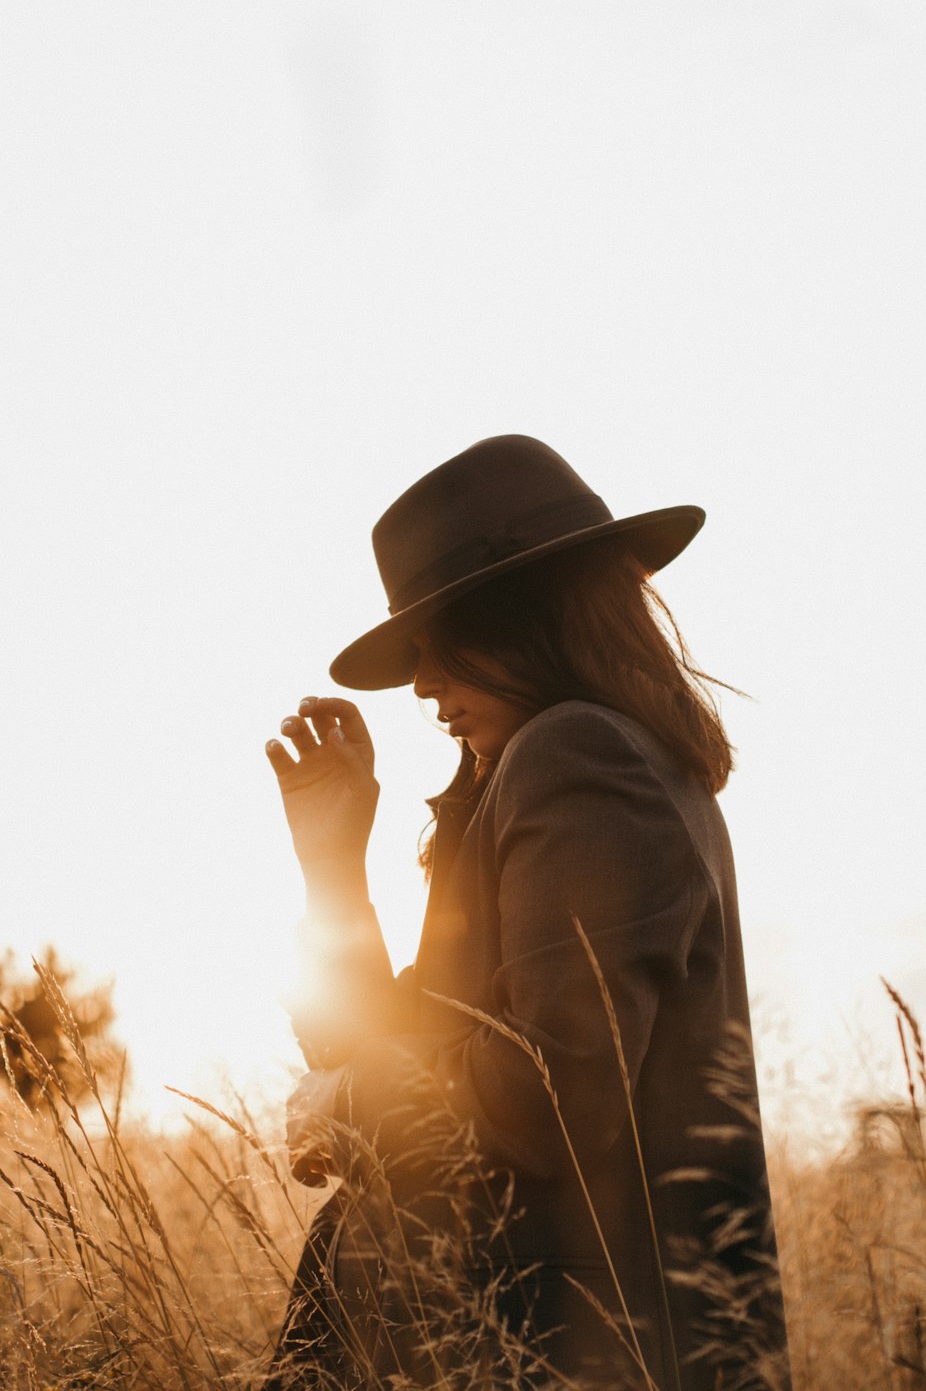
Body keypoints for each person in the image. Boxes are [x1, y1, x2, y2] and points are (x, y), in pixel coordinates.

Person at [263, 435, 789, 1391]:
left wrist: (341, 1103)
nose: (421, 685)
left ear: (519, 616)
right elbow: (404, 1044)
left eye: (436, 643)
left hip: (569, 1353)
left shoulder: (579, 755)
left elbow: (547, 1094)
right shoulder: (567, 770)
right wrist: (334, 868)